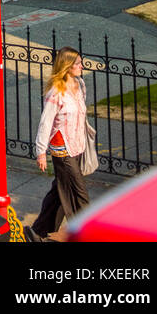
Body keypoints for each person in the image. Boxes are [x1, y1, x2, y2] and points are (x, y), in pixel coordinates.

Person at [28, 47, 91, 241]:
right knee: (78, 193)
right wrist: (41, 152)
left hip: (78, 146)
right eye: (77, 63)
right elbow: (46, 122)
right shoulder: (56, 93)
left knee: (59, 192)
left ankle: (38, 232)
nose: (82, 66)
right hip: (62, 151)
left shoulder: (79, 85)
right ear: (67, 66)